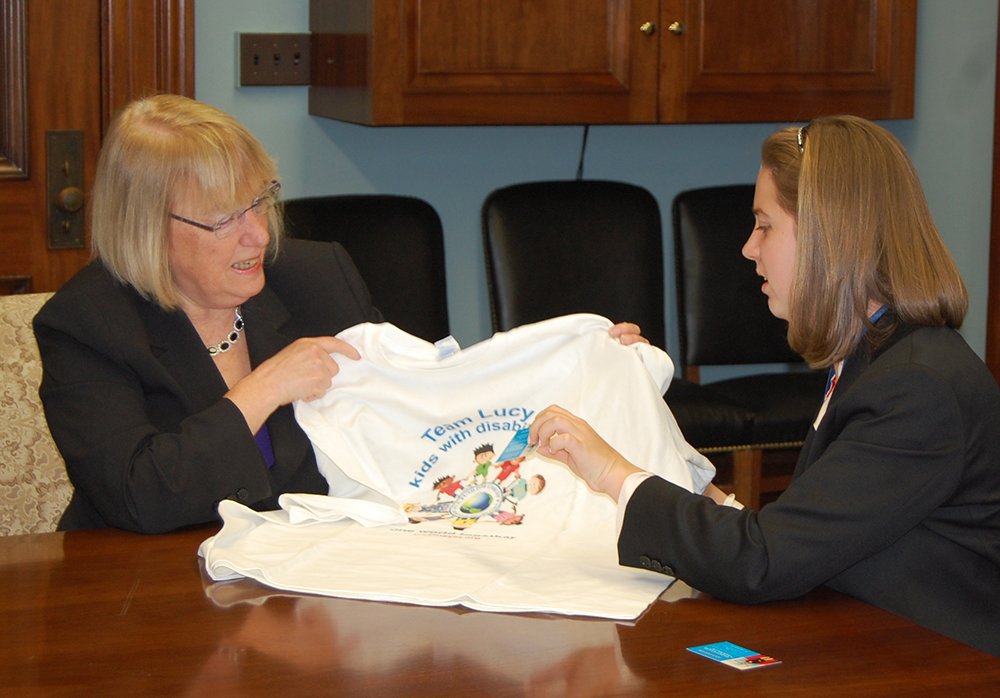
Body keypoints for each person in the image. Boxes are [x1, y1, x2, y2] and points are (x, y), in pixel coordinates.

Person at [36, 94, 646, 534]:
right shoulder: (88, 325)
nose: (258, 236)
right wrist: (264, 388)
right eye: (225, 219)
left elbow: (426, 410)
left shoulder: (315, 277)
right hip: (143, 593)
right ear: (147, 228)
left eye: (260, 202)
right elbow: (140, 495)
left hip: (309, 577)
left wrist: (577, 366)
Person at [529, 115, 1000, 657]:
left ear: (828, 233)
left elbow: (764, 560)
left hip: (942, 665)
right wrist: (638, 411)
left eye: (765, 225)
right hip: (877, 640)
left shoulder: (916, 388)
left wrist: (610, 472)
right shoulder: (878, 360)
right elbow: (798, 539)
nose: (749, 248)